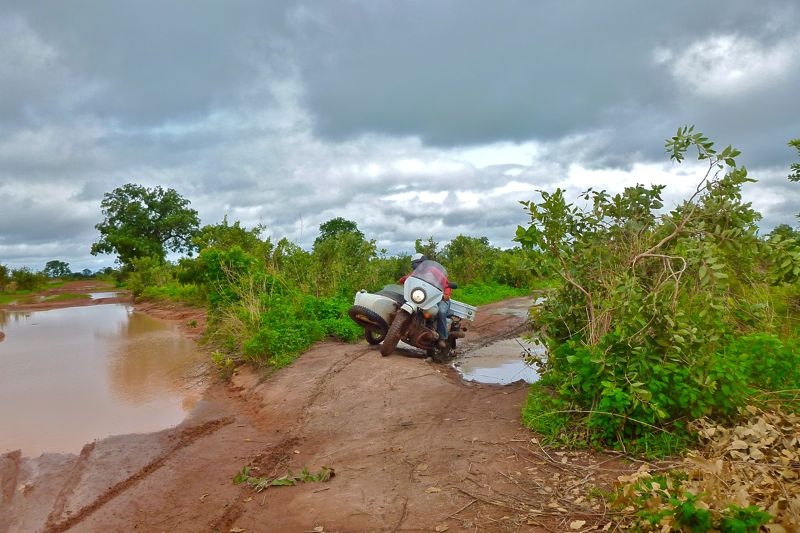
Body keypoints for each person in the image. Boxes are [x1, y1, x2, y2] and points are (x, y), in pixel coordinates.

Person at [399, 253, 452, 349]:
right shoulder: (416, 272)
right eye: (414, 264)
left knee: (441, 312)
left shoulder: (433, 271)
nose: (415, 265)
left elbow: (446, 284)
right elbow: (405, 278)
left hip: (439, 297)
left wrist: (446, 294)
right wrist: (404, 279)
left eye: (416, 263)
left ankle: (442, 338)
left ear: (423, 262)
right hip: (423, 296)